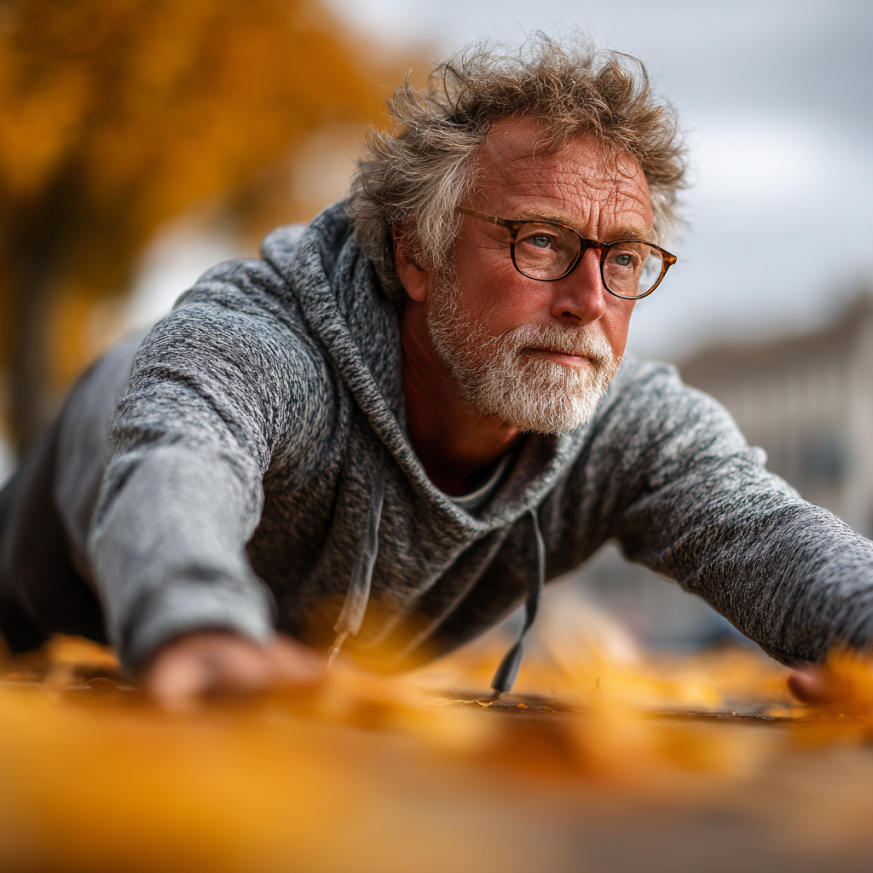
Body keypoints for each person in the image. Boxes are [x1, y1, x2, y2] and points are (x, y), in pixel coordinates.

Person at [0, 35, 863, 709]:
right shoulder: (259, 344)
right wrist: (193, 618)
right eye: (541, 242)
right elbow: (179, 458)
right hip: (47, 591)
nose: (587, 300)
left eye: (624, 258)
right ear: (419, 252)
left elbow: (767, 535)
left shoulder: (624, 422)